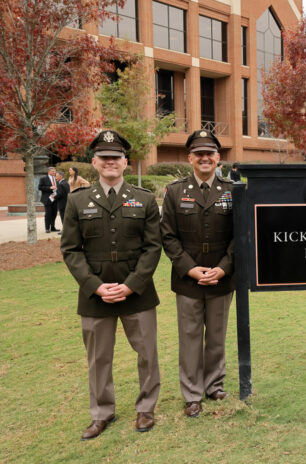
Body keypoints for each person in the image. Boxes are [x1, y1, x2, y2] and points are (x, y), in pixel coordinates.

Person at [60, 130, 162, 439]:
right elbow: (70, 249)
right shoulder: (77, 201)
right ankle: (102, 413)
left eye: (115, 158)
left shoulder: (144, 200)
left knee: (147, 353)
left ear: (125, 162)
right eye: (104, 158)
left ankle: (146, 408)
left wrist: (131, 285)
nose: (110, 163)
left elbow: (152, 248)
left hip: (137, 292)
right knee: (99, 358)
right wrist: (95, 286)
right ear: (94, 162)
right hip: (95, 295)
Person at [160, 130, 236, 418]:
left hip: (222, 276)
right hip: (188, 279)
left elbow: (239, 235)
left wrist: (223, 268)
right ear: (189, 157)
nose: (205, 158)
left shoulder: (232, 189)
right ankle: (192, 393)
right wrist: (190, 269)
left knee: (216, 335)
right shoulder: (176, 190)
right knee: (190, 337)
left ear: (218, 157)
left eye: (210, 153)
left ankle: (214, 385)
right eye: (199, 153)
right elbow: (167, 236)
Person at [38, 166, 60, 233]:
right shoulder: (43, 178)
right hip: (47, 199)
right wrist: (49, 188)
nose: (54, 172)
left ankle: (53, 227)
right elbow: (40, 187)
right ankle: (47, 228)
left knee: (54, 213)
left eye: (55, 171)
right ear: (49, 172)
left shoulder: (56, 178)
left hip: (55, 198)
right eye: (53, 171)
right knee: (48, 214)